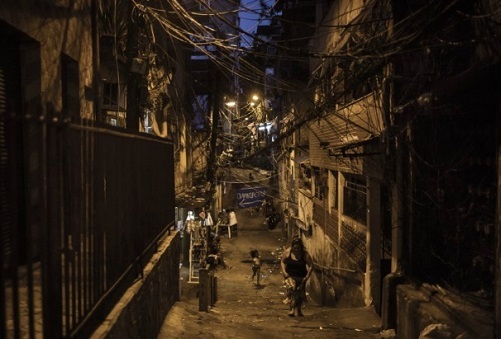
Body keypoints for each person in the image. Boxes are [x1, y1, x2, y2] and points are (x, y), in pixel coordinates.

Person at [280, 237, 313, 317]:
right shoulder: (288, 252)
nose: (296, 250)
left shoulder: (305, 255)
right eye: (295, 248)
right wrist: (284, 272)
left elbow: (311, 265)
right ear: (292, 247)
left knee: (300, 294)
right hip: (290, 276)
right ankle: (292, 310)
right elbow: (282, 262)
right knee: (292, 293)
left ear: (301, 247)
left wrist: (307, 276)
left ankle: (298, 310)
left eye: (298, 248)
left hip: (301, 277)